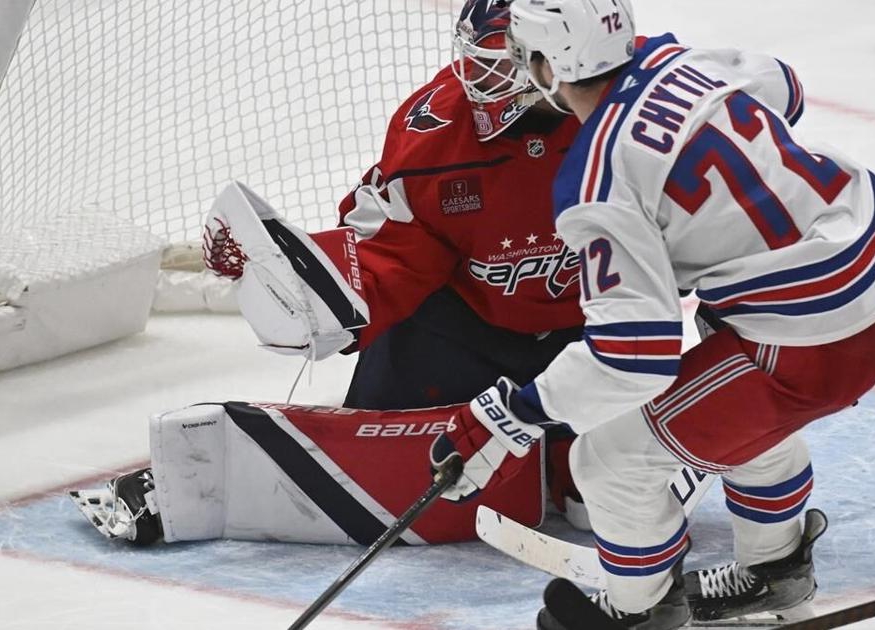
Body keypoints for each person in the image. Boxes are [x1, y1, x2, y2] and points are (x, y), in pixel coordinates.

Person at [426, 0, 875, 628]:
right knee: (724, 356)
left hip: (816, 338)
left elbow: (633, 356)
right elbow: (786, 89)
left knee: (608, 459)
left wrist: (511, 417)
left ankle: (638, 611)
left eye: (526, 55)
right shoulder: (682, 57)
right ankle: (774, 571)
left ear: (551, 66)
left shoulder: (598, 179)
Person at [69, 0, 591, 548]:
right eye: (478, 61)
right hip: (462, 328)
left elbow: (683, 248)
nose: (479, 82)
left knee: (599, 499)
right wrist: (304, 295)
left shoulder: (635, 121)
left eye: (502, 65)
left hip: (602, 331)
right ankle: (199, 485)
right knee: (392, 465)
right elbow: (391, 254)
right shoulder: (438, 136)